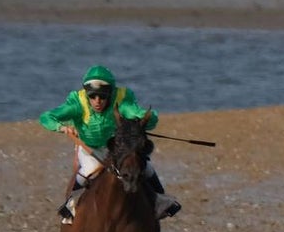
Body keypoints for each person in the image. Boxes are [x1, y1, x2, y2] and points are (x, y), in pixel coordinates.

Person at [39, 65, 180, 223]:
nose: (97, 102)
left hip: (115, 148)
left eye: (102, 97)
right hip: (89, 148)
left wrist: (141, 117)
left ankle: (161, 201)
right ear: (87, 94)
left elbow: (141, 115)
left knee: (146, 167)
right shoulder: (77, 104)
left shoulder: (121, 100)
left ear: (110, 93)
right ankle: (70, 206)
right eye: (92, 97)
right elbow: (46, 117)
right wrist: (61, 127)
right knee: (89, 171)